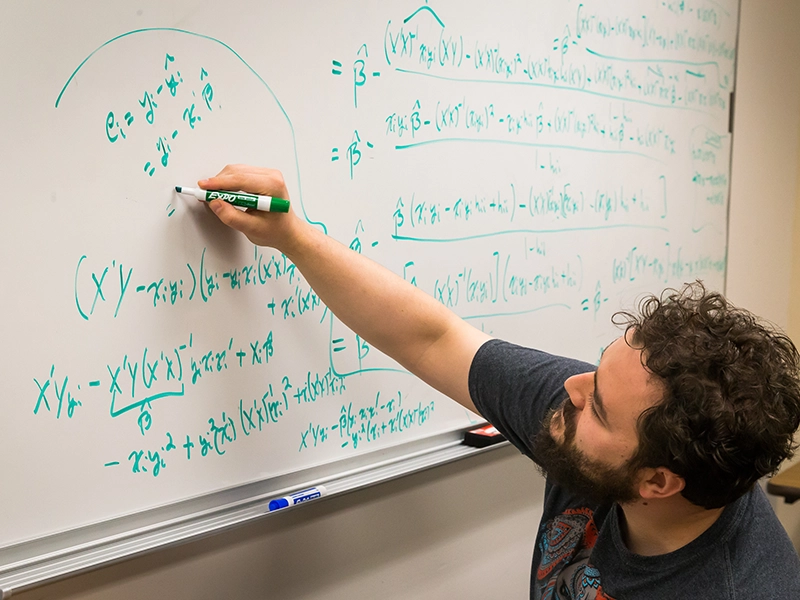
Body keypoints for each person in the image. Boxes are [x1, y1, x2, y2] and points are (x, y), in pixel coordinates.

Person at [199, 165, 800, 599]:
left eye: (600, 409)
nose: (571, 389)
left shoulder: (734, 587)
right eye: (594, 372)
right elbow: (433, 338)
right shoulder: (603, 423)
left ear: (657, 481)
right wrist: (292, 236)